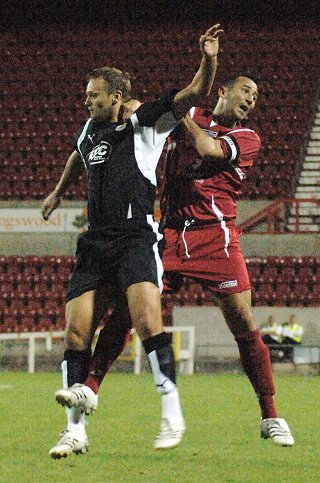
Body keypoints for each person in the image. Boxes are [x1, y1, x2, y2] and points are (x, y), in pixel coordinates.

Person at [41, 23, 223, 459]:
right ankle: (75, 431)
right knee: (75, 333)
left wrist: (209, 59)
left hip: (135, 237)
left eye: (94, 96)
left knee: (147, 325)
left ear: (116, 96)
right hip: (94, 242)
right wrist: (57, 191)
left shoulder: (145, 123)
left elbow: (191, 95)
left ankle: (172, 412)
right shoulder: (89, 131)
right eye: (86, 96)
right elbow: (75, 157)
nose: (88, 102)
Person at [157, 75, 294, 447]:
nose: (252, 98)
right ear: (223, 91)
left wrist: (178, 112)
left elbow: (206, 149)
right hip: (169, 233)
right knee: (136, 309)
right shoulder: (189, 116)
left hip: (216, 237)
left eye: (256, 94)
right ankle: (89, 389)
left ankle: (271, 415)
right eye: (246, 90)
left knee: (244, 325)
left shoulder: (246, 137)